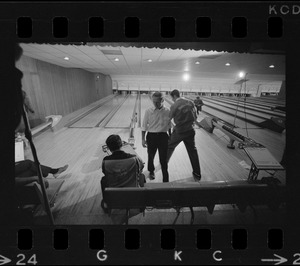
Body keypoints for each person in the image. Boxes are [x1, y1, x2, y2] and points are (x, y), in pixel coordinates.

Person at [101, 134, 146, 211]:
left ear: (108, 148)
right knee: (142, 176)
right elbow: (141, 168)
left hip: (114, 193)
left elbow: (105, 173)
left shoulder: (106, 161)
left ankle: (107, 202)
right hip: (132, 192)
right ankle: (141, 203)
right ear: (121, 145)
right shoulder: (134, 158)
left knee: (103, 180)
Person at [167, 89, 202, 181]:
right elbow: (195, 117)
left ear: (174, 96)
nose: (172, 99)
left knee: (169, 146)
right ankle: (197, 173)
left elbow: (168, 118)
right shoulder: (190, 102)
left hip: (179, 131)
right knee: (193, 151)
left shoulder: (174, 105)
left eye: (172, 98)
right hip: (190, 130)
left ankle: (164, 164)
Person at [141, 92, 171, 182]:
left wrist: (170, 135)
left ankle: (165, 177)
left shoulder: (167, 111)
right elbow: (144, 126)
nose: (155, 103)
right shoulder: (148, 111)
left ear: (162, 100)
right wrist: (143, 139)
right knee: (151, 157)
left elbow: (169, 124)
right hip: (151, 136)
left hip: (163, 136)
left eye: (157, 102)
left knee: (163, 159)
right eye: (153, 102)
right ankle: (151, 171)